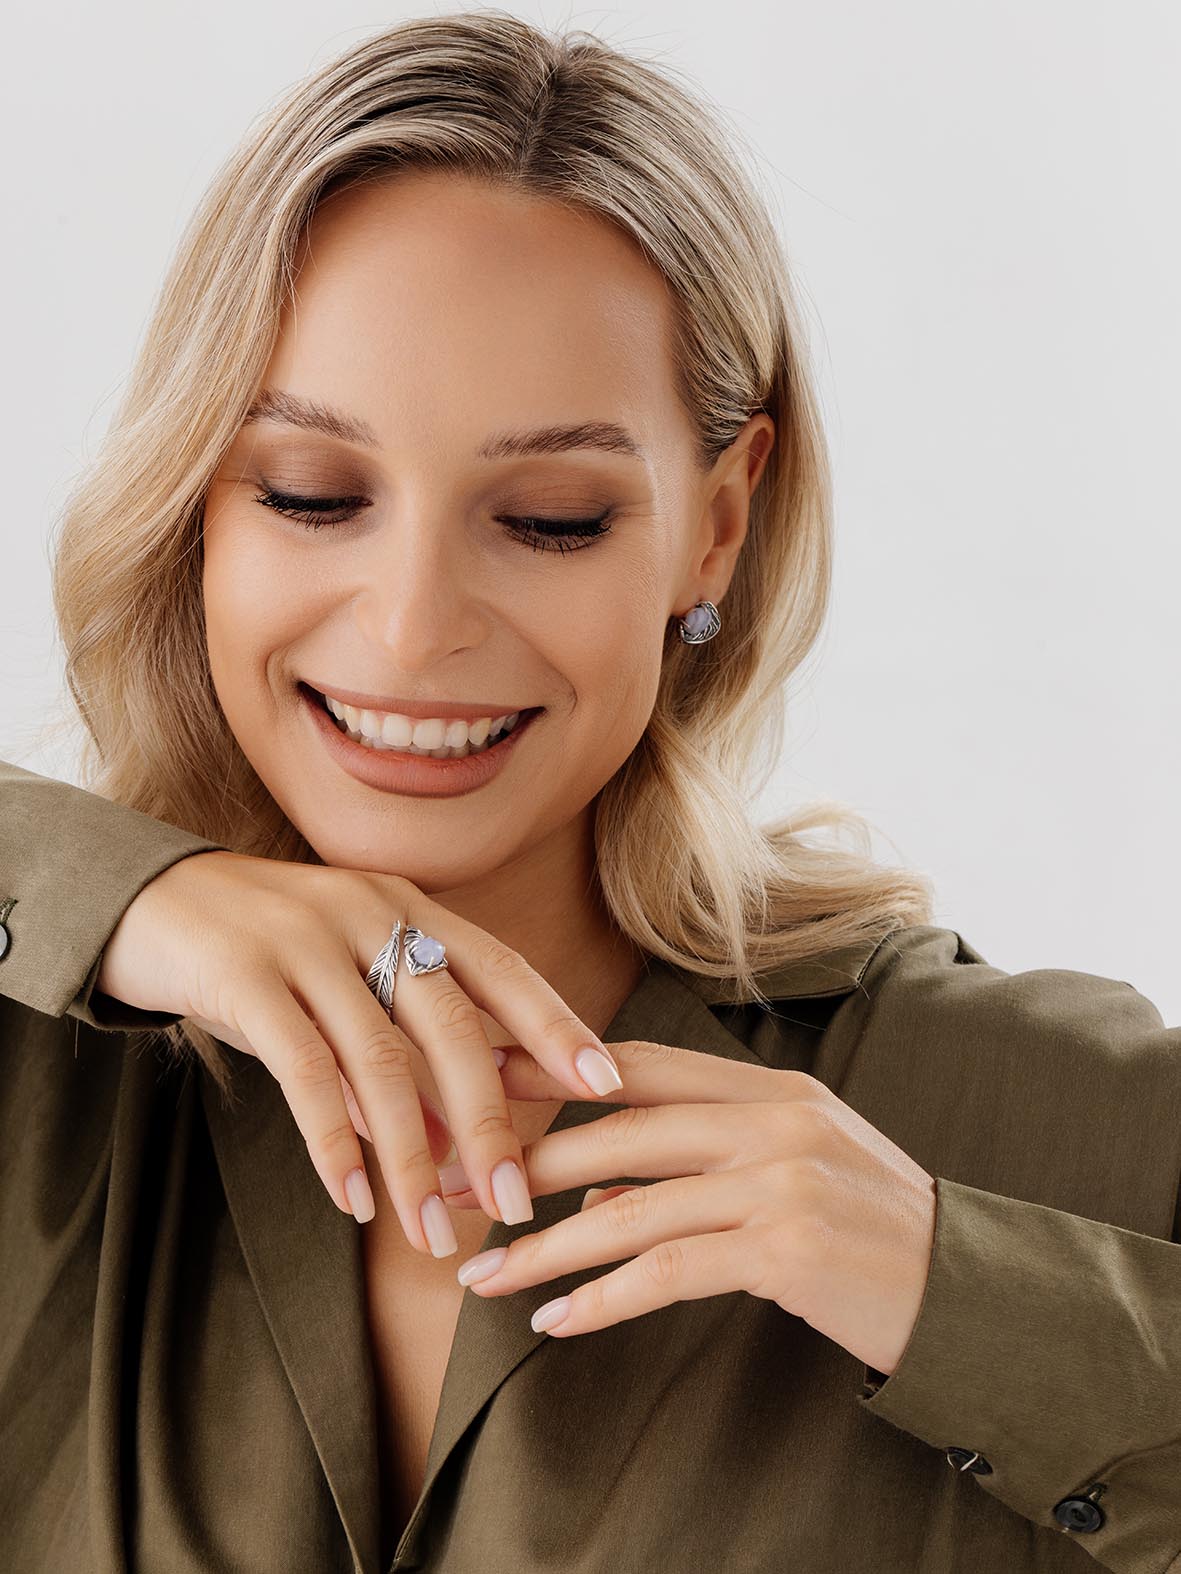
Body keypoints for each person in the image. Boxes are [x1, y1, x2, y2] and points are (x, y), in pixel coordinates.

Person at [1, 12, 1177, 1573]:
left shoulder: (1031, 1112)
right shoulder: (38, 1073)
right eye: (311, 493)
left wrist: (951, 1285)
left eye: (550, 517)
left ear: (715, 526)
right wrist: (122, 895)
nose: (413, 624)